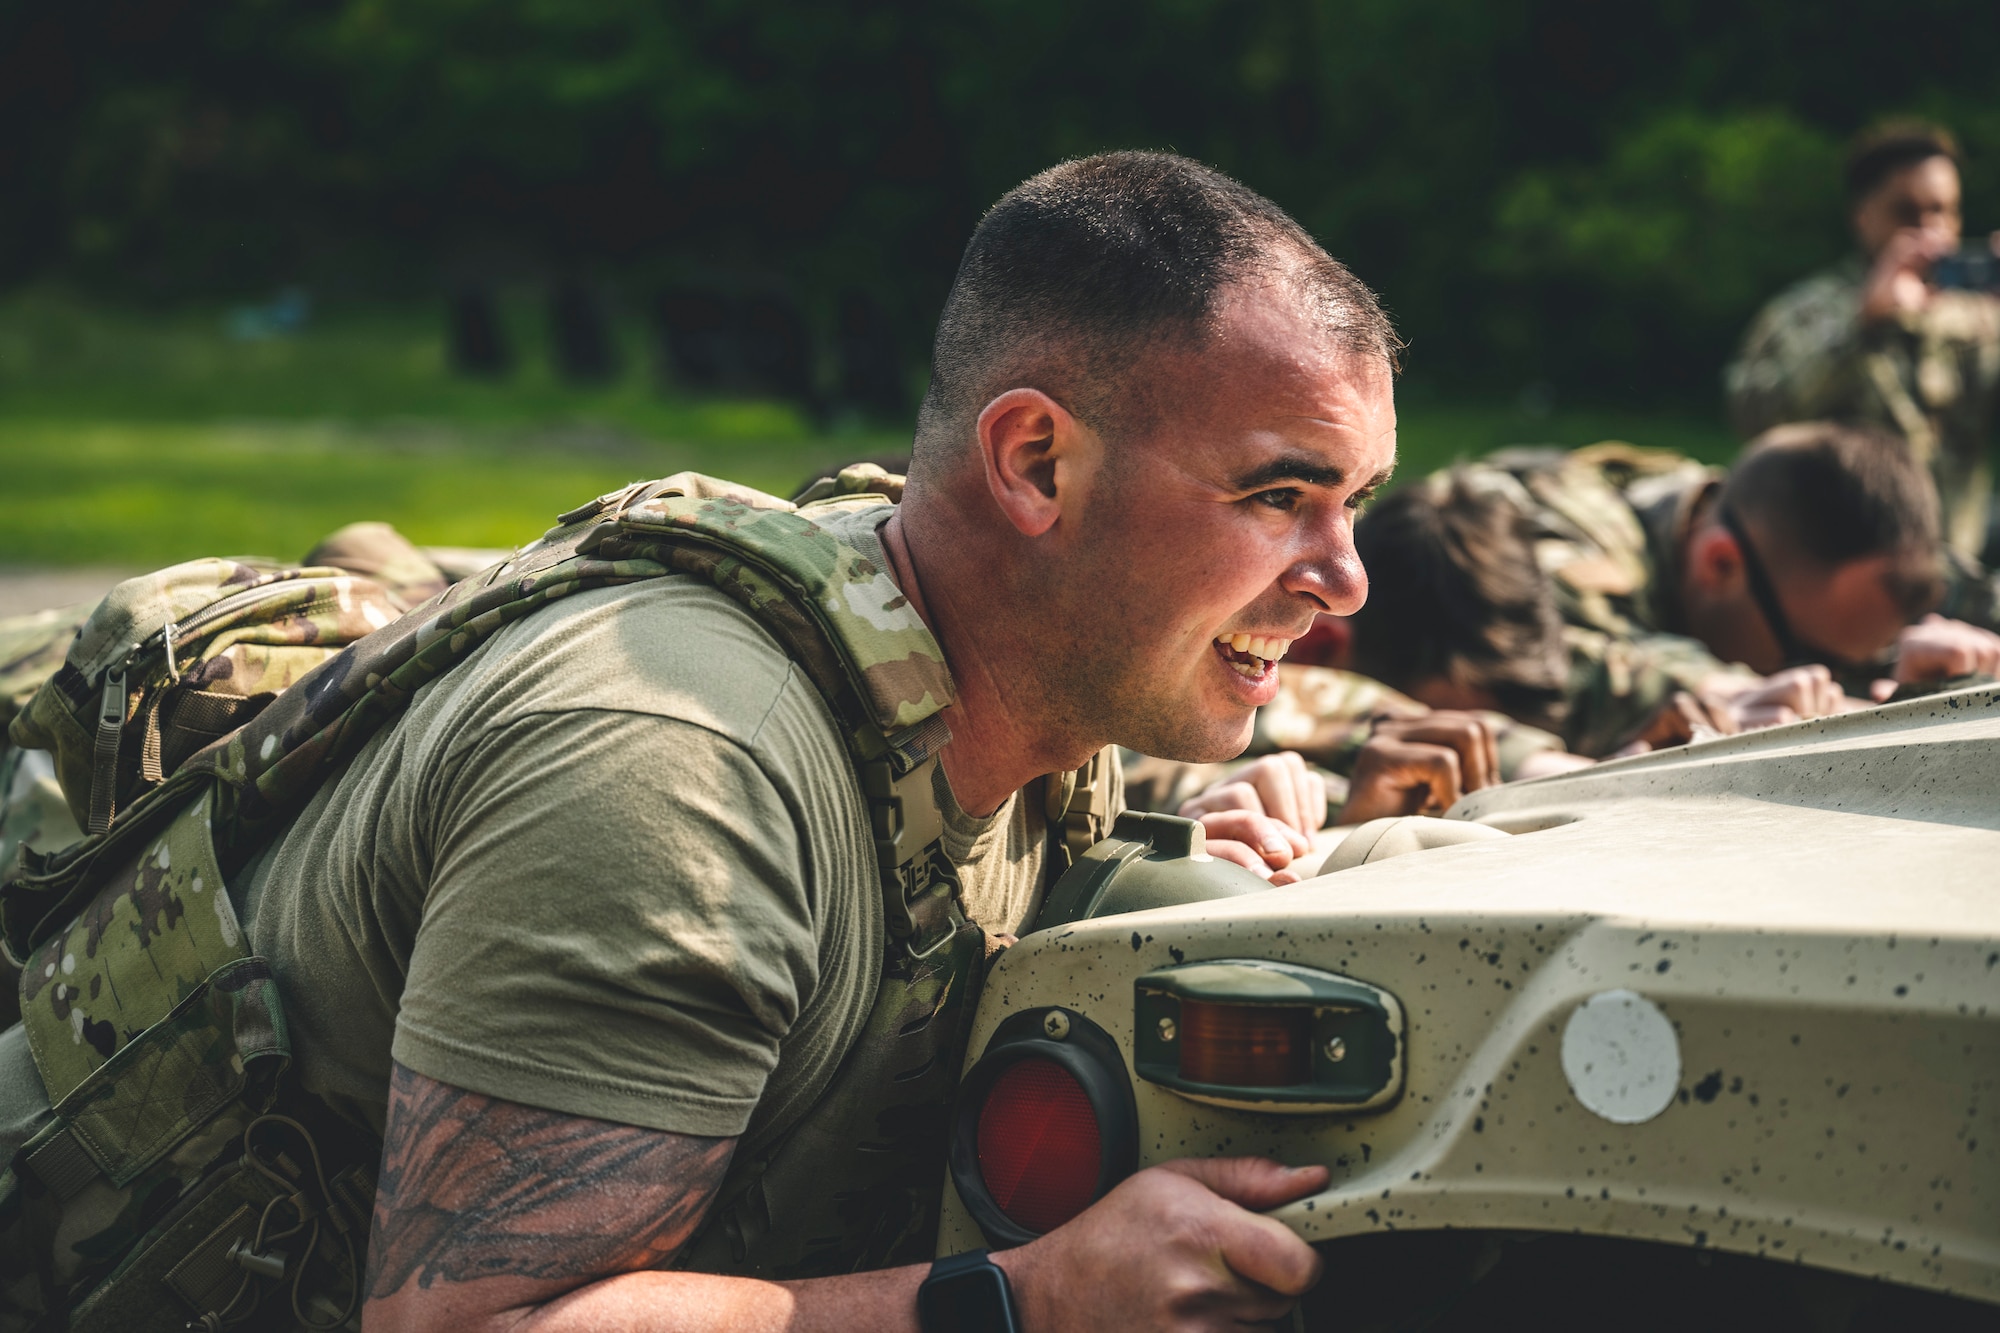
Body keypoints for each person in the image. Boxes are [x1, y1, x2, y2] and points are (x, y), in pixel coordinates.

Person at [2, 153, 1493, 1330]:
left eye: (1354, 504)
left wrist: (1177, 825)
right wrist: (1025, 1305)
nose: (1345, 577)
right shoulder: (675, 774)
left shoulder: (992, 662)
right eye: (1277, 496)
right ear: (1036, 462)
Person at [1402, 427, 2000, 757]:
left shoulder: (1802, 544)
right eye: (1807, 658)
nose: (1827, 677)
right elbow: (1579, 675)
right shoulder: (1527, 531)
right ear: (1719, 565)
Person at [1725, 122, 2000, 574]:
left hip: (1952, 574)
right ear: (1862, 215)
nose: (1932, 232)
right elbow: (1752, 419)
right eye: (1907, 213)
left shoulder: (1977, 318)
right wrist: (1861, 329)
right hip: (1835, 579)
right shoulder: (1805, 314)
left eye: (1945, 212)